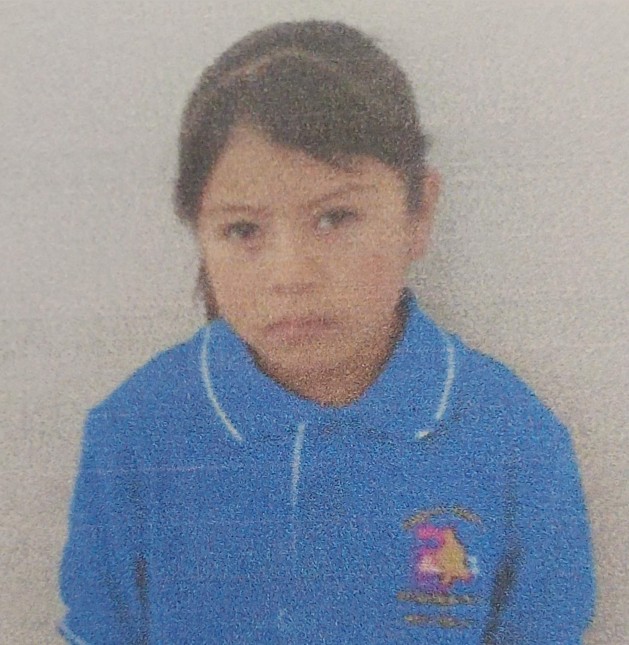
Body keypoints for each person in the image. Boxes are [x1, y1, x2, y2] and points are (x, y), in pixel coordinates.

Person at [58, 20, 595, 644]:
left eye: (335, 217)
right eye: (243, 230)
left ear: (419, 212)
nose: (291, 275)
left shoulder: (517, 442)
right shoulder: (133, 435)